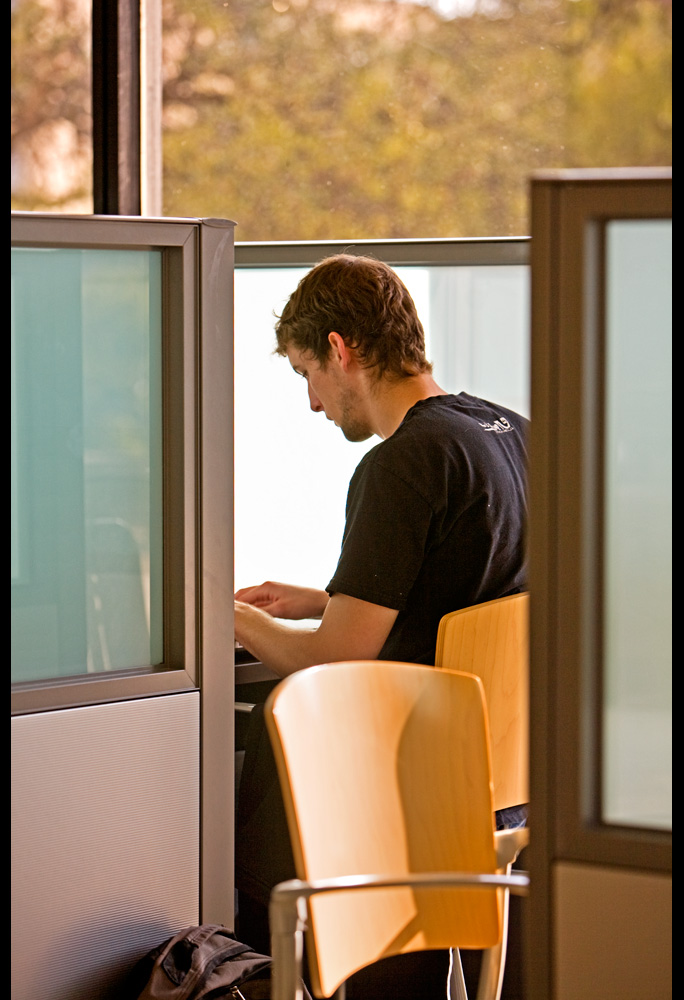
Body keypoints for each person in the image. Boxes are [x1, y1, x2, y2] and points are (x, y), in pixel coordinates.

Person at [233, 253, 529, 999]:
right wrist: (316, 596)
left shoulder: (403, 463)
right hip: (506, 777)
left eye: (307, 374)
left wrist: (222, 615)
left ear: (341, 349)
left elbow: (338, 656)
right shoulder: (509, 434)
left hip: (410, 790)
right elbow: (468, 589)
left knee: (260, 748)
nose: (312, 403)